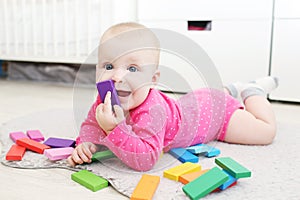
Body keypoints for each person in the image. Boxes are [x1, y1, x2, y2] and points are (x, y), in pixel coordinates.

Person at [67, 22, 278, 171]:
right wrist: (86, 143)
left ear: (153, 78)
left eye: (132, 68)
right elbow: (92, 125)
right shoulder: (105, 99)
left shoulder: (153, 111)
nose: (117, 76)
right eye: (109, 66)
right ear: (96, 70)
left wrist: (114, 129)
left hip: (217, 115)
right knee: (193, 103)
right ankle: (226, 89)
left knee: (265, 132)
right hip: (193, 103)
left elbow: (146, 160)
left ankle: (252, 91)